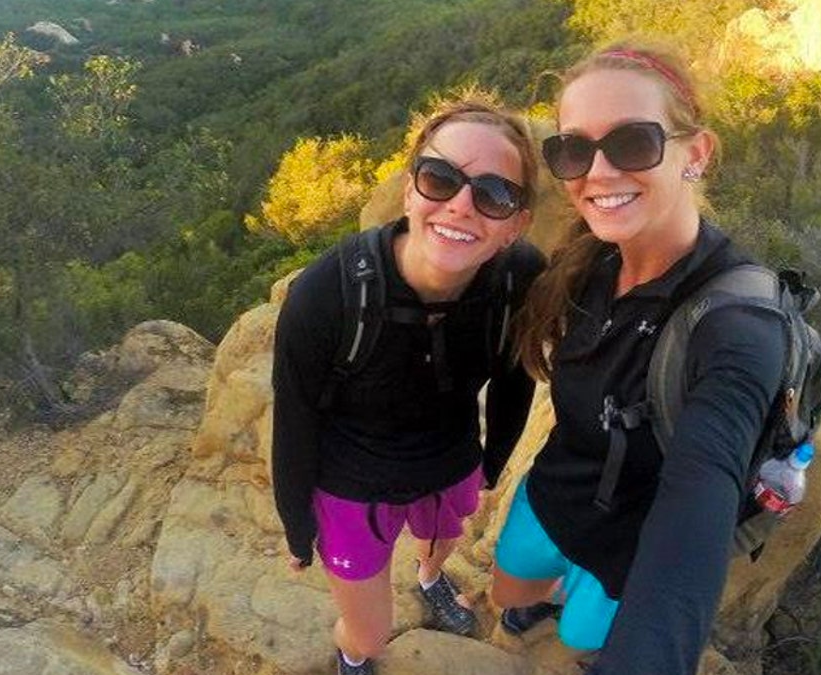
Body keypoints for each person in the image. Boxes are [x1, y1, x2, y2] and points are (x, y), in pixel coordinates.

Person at [491, 44, 788, 674]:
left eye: (631, 143)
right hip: (555, 491)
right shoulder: (590, 258)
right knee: (508, 593)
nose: (596, 173)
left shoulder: (738, 321)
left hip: (634, 539)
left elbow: (700, 493)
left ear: (696, 154)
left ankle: (571, 609)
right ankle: (534, 605)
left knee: (579, 635)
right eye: (573, 150)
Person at [272, 99, 545, 675]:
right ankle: (354, 656)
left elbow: (515, 377)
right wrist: (299, 527)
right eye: (440, 178)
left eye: (494, 195)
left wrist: (493, 461)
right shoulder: (330, 292)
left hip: (449, 460)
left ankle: (428, 576)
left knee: (441, 540)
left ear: (516, 223)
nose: (461, 205)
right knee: (371, 636)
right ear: (409, 189)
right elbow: (293, 419)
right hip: (352, 483)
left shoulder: (520, 278)